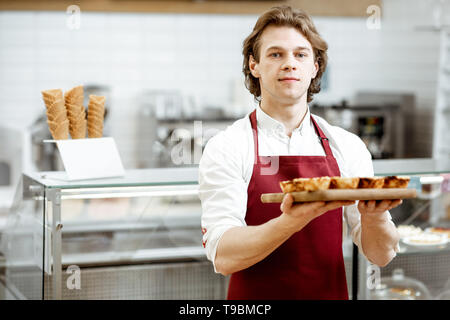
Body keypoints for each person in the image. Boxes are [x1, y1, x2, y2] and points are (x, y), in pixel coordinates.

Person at [198, 5, 401, 300]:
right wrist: (290, 222)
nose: (290, 63)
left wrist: (375, 219)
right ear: (254, 65)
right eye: (276, 54)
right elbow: (224, 256)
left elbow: (381, 256)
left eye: (301, 54)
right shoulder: (228, 146)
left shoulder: (347, 145)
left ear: (315, 67)